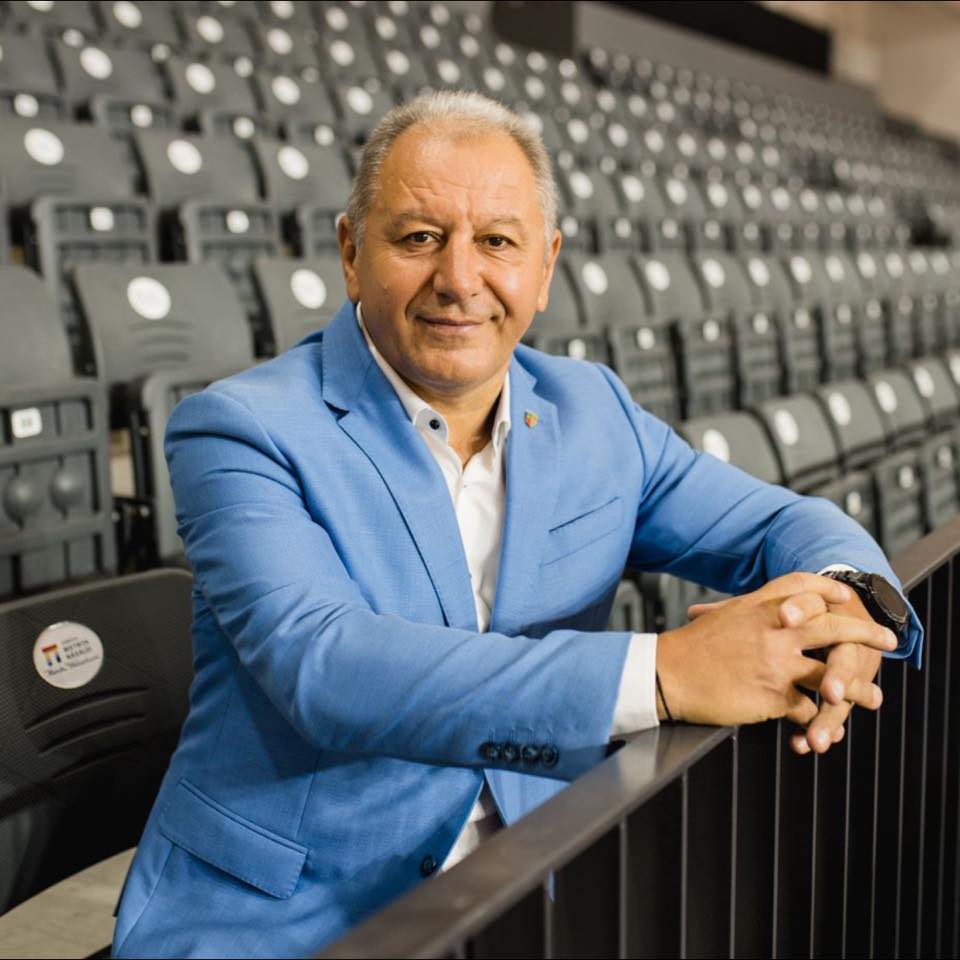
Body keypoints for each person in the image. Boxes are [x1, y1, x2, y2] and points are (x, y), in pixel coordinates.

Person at [112, 91, 922, 959]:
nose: (459, 279)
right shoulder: (241, 428)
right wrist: (662, 674)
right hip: (285, 918)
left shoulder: (593, 411)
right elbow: (325, 665)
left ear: (545, 266)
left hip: (532, 884)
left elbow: (780, 524)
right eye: (418, 237)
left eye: (498, 242)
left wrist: (845, 608)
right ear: (351, 253)